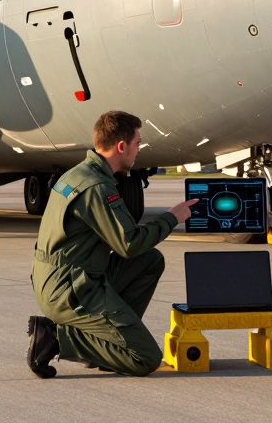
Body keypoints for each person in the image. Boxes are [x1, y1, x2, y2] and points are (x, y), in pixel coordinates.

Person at [26, 111, 197, 378]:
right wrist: (172, 217)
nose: (139, 149)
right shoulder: (96, 186)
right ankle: (56, 337)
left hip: (64, 277)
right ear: (121, 146)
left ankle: (109, 349)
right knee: (145, 358)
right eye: (137, 143)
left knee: (149, 261)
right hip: (70, 289)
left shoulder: (81, 173)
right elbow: (128, 243)